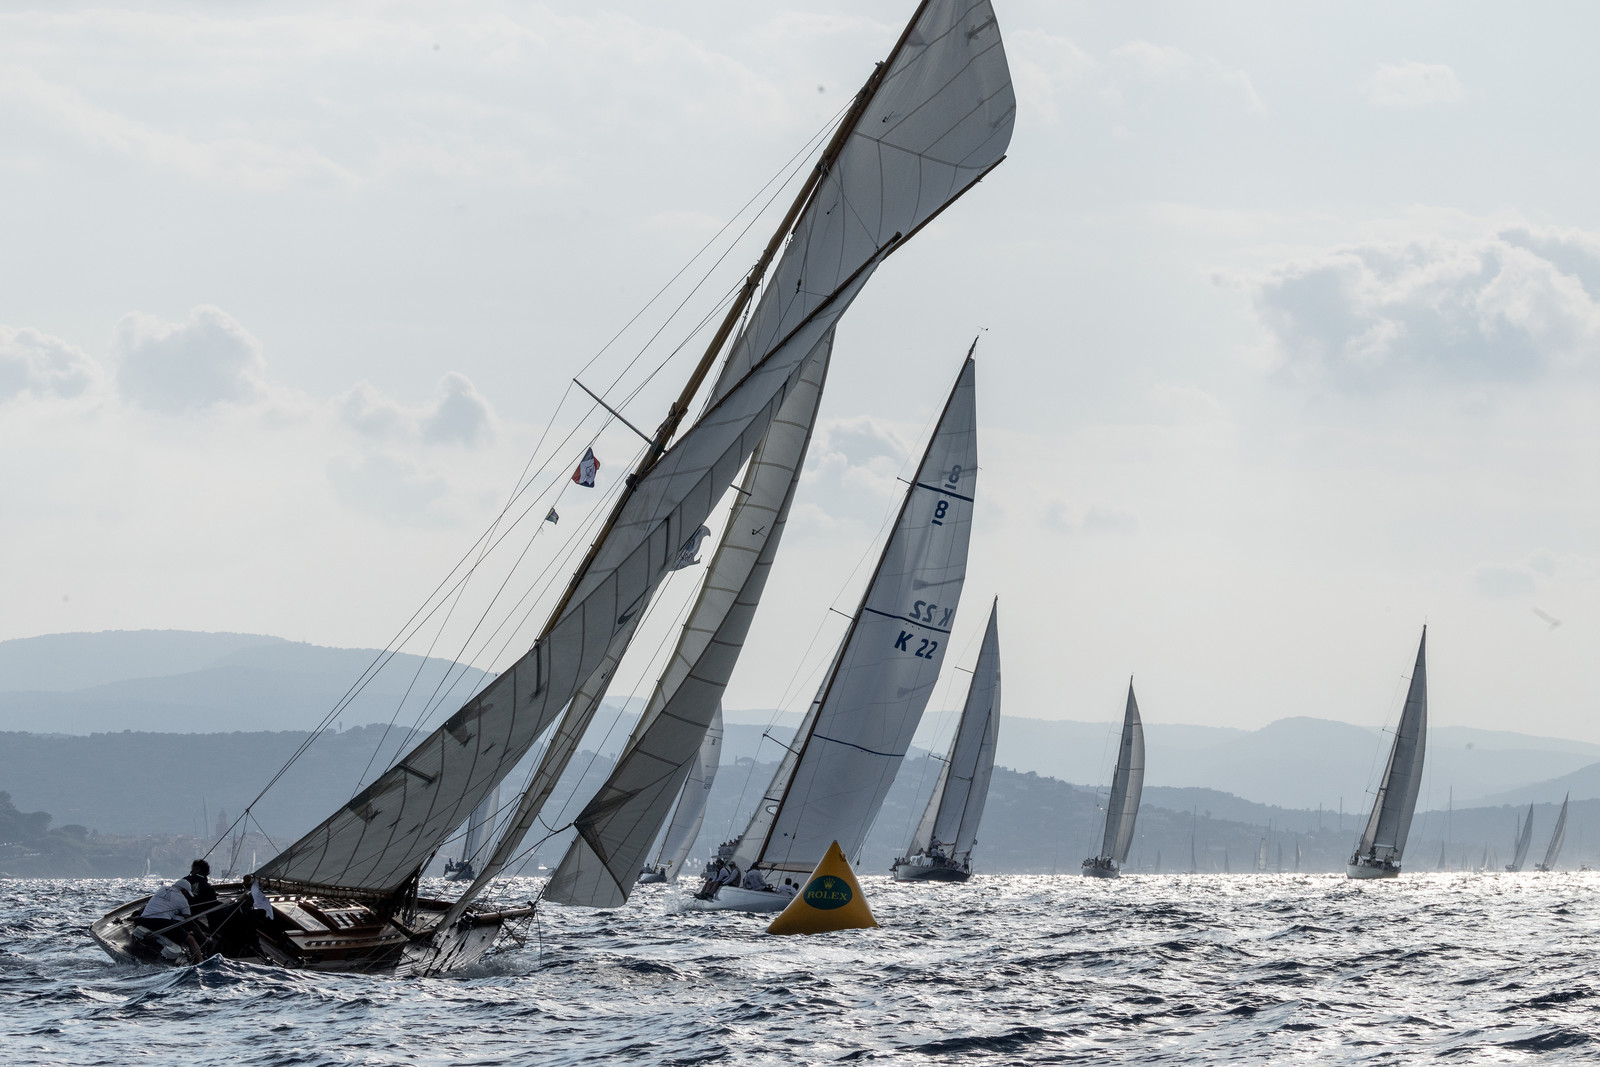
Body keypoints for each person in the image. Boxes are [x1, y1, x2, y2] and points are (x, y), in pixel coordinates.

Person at [136, 859, 215, 963]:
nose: (187, 895)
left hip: (143, 919)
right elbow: (189, 922)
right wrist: (203, 937)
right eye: (187, 893)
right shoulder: (183, 899)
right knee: (190, 939)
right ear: (183, 890)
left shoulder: (162, 888)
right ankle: (201, 963)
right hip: (161, 923)